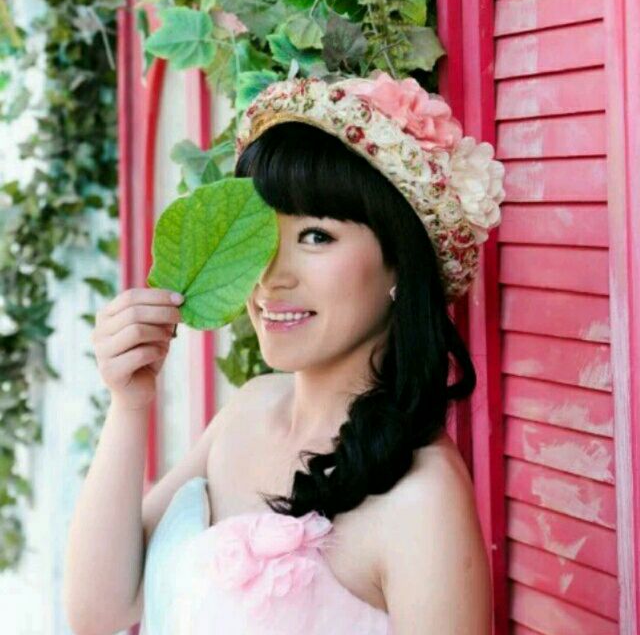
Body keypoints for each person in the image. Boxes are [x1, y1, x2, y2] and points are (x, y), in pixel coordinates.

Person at [63, 71, 505, 635]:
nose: (272, 277)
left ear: (399, 262)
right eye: (265, 236)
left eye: (316, 236)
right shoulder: (249, 408)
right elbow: (99, 614)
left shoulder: (422, 497)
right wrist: (129, 403)